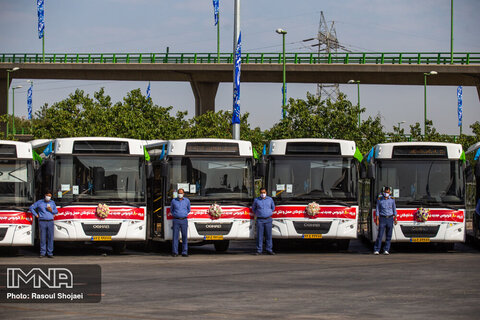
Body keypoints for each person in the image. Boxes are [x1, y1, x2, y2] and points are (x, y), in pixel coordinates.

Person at [30, 191, 58, 258]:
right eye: (48, 195)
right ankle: (42, 253)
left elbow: (56, 211)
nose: (49, 197)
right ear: (45, 195)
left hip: (50, 221)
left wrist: (51, 210)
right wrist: (36, 215)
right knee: (42, 237)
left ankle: (50, 253)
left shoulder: (52, 202)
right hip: (42, 221)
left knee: (50, 238)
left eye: (50, 196)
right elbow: (31, 208)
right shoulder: (40, 202)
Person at [373, 186, 397, 255]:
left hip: (390, 218)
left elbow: (394, 210)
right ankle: (377, 249)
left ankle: (386, 249)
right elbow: (377, 210)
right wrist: (377, 220)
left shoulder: (392, 200)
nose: (387, 193)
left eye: (388, 192)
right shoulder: (380, 199)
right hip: (382, 218)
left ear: (390, 192)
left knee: (389, 235)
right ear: (384, 192)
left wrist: (395, 219)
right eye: (386, 192)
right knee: (380, 235)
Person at [252, 188, 275, 255]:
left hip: (268, 219)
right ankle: (259, 250)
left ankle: (269, 249)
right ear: (260, 193)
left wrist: (268, 212)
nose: (263, 194)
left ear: (266, 192)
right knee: (259, 236)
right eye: (261, 192)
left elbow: (273, 208)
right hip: (260, 220)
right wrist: (258, 213)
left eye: (264, 192)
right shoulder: (256, 200)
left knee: (268, 235)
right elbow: (253, 209)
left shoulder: (270, 199)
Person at [170, 188, 190, 257]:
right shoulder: (174, 201)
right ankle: (175, 252)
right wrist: (176, 214)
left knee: (184, 236)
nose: (180, 194)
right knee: (175, 237)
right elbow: (171, 210)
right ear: (177, 194)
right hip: (176, 220)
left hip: (184, 220)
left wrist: (183, 214)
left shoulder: (187, 201)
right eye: (179, 193)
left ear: (183, 194)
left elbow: (188, 209)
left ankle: (185, 252)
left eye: (181, 193)